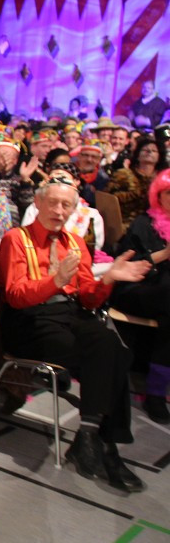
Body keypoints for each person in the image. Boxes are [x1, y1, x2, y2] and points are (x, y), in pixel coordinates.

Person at [0, 175, 151, 492]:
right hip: (29, 319)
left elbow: (87, 298)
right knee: (112, 354)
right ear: (38, 203)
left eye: (65, 204)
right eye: (52, 202)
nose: (57, 209)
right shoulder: (16, 238)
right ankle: (106, 447)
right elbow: (14, 295)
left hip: (68, 313)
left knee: (112, 348)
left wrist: (109, 279)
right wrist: (54, 282)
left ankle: (91, 436)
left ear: (74, 210)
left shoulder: (75, 243)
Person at [111, 169, 170, 423]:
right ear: (159, 195)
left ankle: (156, 391)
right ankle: (156, 393)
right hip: (135, 290)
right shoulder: (143, 224)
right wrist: (166, 254)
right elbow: (128, 266)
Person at [107, 136, 165, 227]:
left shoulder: (164, 179)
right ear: (138, 155)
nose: (149, 152)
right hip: (125, 225)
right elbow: (107, 199)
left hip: (157, 226)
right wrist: (132, 194)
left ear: (159, 157)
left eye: (154, 151)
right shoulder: (123, 175)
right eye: (145, 150)